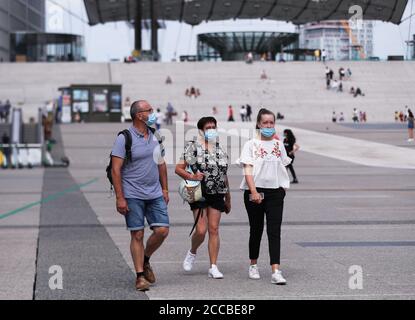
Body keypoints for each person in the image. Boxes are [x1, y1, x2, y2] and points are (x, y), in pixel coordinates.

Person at [111, 100, 170, 292]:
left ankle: (145, 259)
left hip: (154, 193)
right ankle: (139, 276)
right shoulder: (124, 138)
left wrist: (165, 189)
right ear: (139, 115)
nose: (153, 113)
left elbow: (161, 164)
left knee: (162, 230)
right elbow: (116, 170)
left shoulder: (155, 135)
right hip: (132, 194)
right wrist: (120, 197)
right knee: (137, 233)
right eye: (149, 110)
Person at [238, 108, 292, 285]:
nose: (268, 126)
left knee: (274, 231)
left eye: (271, 123)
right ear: (259, 124)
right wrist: (253, 191)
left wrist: (283, 188)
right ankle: (253, 264)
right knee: (257, 229)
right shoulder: (251, 144)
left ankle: (276, 270)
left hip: (275, 192)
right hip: (255, 191)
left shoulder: (278, 145)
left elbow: (283, 165)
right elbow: (248, 169)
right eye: (265, 123)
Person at [175, 117, 231, 279]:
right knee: (201, 229)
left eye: (214, 126)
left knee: (214, 229)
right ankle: (192, 252)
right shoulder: (193, 147)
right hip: (199, 192)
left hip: (218, 193)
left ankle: (213, 266)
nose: (212, 129)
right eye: (208, 127)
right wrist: (192, 176)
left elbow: (223, 175)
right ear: (201, 130)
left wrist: (228, 198)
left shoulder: (219, 149)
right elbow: (179, 169)